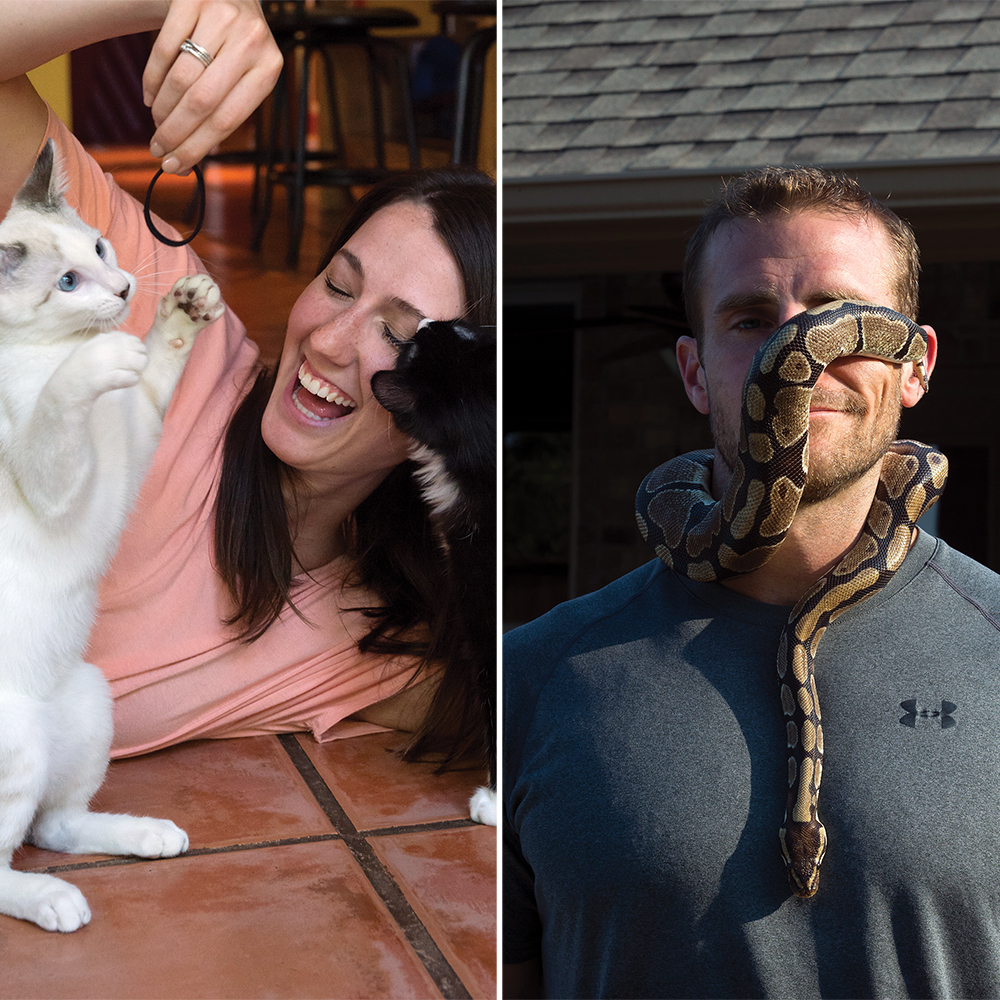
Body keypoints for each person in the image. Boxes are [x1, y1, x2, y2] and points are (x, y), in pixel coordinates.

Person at [503, 166, 1000, 998]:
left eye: (837, 319)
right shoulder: (529, 677)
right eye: (751, 320)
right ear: (694, 372)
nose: (791, 359)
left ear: (914, 365)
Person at [0, 1, 496, 768]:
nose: (328, 341)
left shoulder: (370, 645)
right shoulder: (168, 321)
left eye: (398, 335)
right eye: (338, 284)